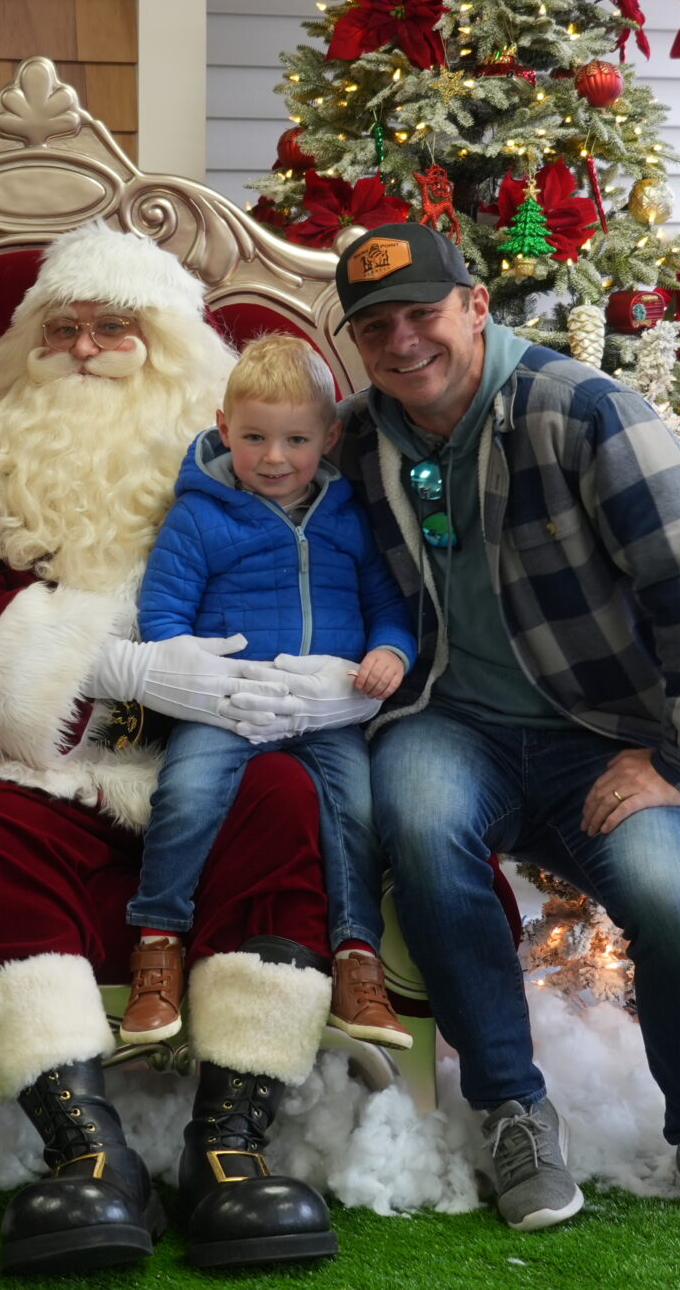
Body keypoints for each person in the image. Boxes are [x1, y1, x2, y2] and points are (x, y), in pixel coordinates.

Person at [315, 220, 680, 1233]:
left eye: (422, 314)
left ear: (475, 306)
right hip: (449, 720)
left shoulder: (582, 411)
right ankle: (512, 1111)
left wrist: (679, 761)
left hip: (603, 736)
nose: (402, 343)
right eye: (375, 328)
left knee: (669, 899)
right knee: (419, 822)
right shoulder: (357, 438)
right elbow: (250, 479)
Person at [0, 223, 354, 1274]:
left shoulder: (243, 451)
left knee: (284, 797)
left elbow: (328, 573)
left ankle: (229, 1144)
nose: (83, 348)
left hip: (220, 749)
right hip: (47, 764)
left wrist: (326, 677)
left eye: (114, 328)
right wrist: (119, 665)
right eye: (61, 328)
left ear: (168, 346)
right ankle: (87, 1149)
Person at [121, 334, 414, 1052]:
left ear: (329, 437)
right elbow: (161, 614)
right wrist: (195, 675)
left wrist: (389, 652)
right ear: (224, 428)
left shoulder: (349, 514)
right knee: (186, 793)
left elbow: (388, 603)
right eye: (254, 437)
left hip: (328, 705)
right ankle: (158, 942)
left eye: (296, 440)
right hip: (229, 703)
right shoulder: (201, 515)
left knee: (357, 809)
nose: (274, 457)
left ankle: (356, 956)